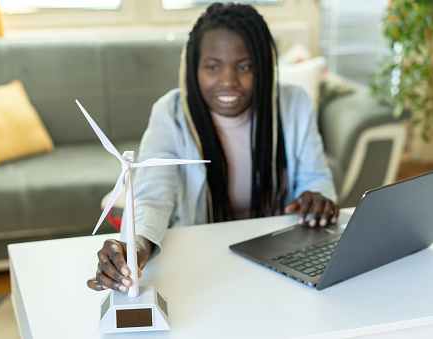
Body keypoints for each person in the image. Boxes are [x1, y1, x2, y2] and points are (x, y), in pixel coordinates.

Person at [87, 2, 339, 293]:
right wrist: (135, 246)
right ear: (192, 68)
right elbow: (152, 198)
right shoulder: (171, 113)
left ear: (266, 67)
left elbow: (316, 178)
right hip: (205, 263)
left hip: (284, 258)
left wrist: (317, 198)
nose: (228, 81)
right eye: (213, 67)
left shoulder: (295, 104)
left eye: (245, 66)